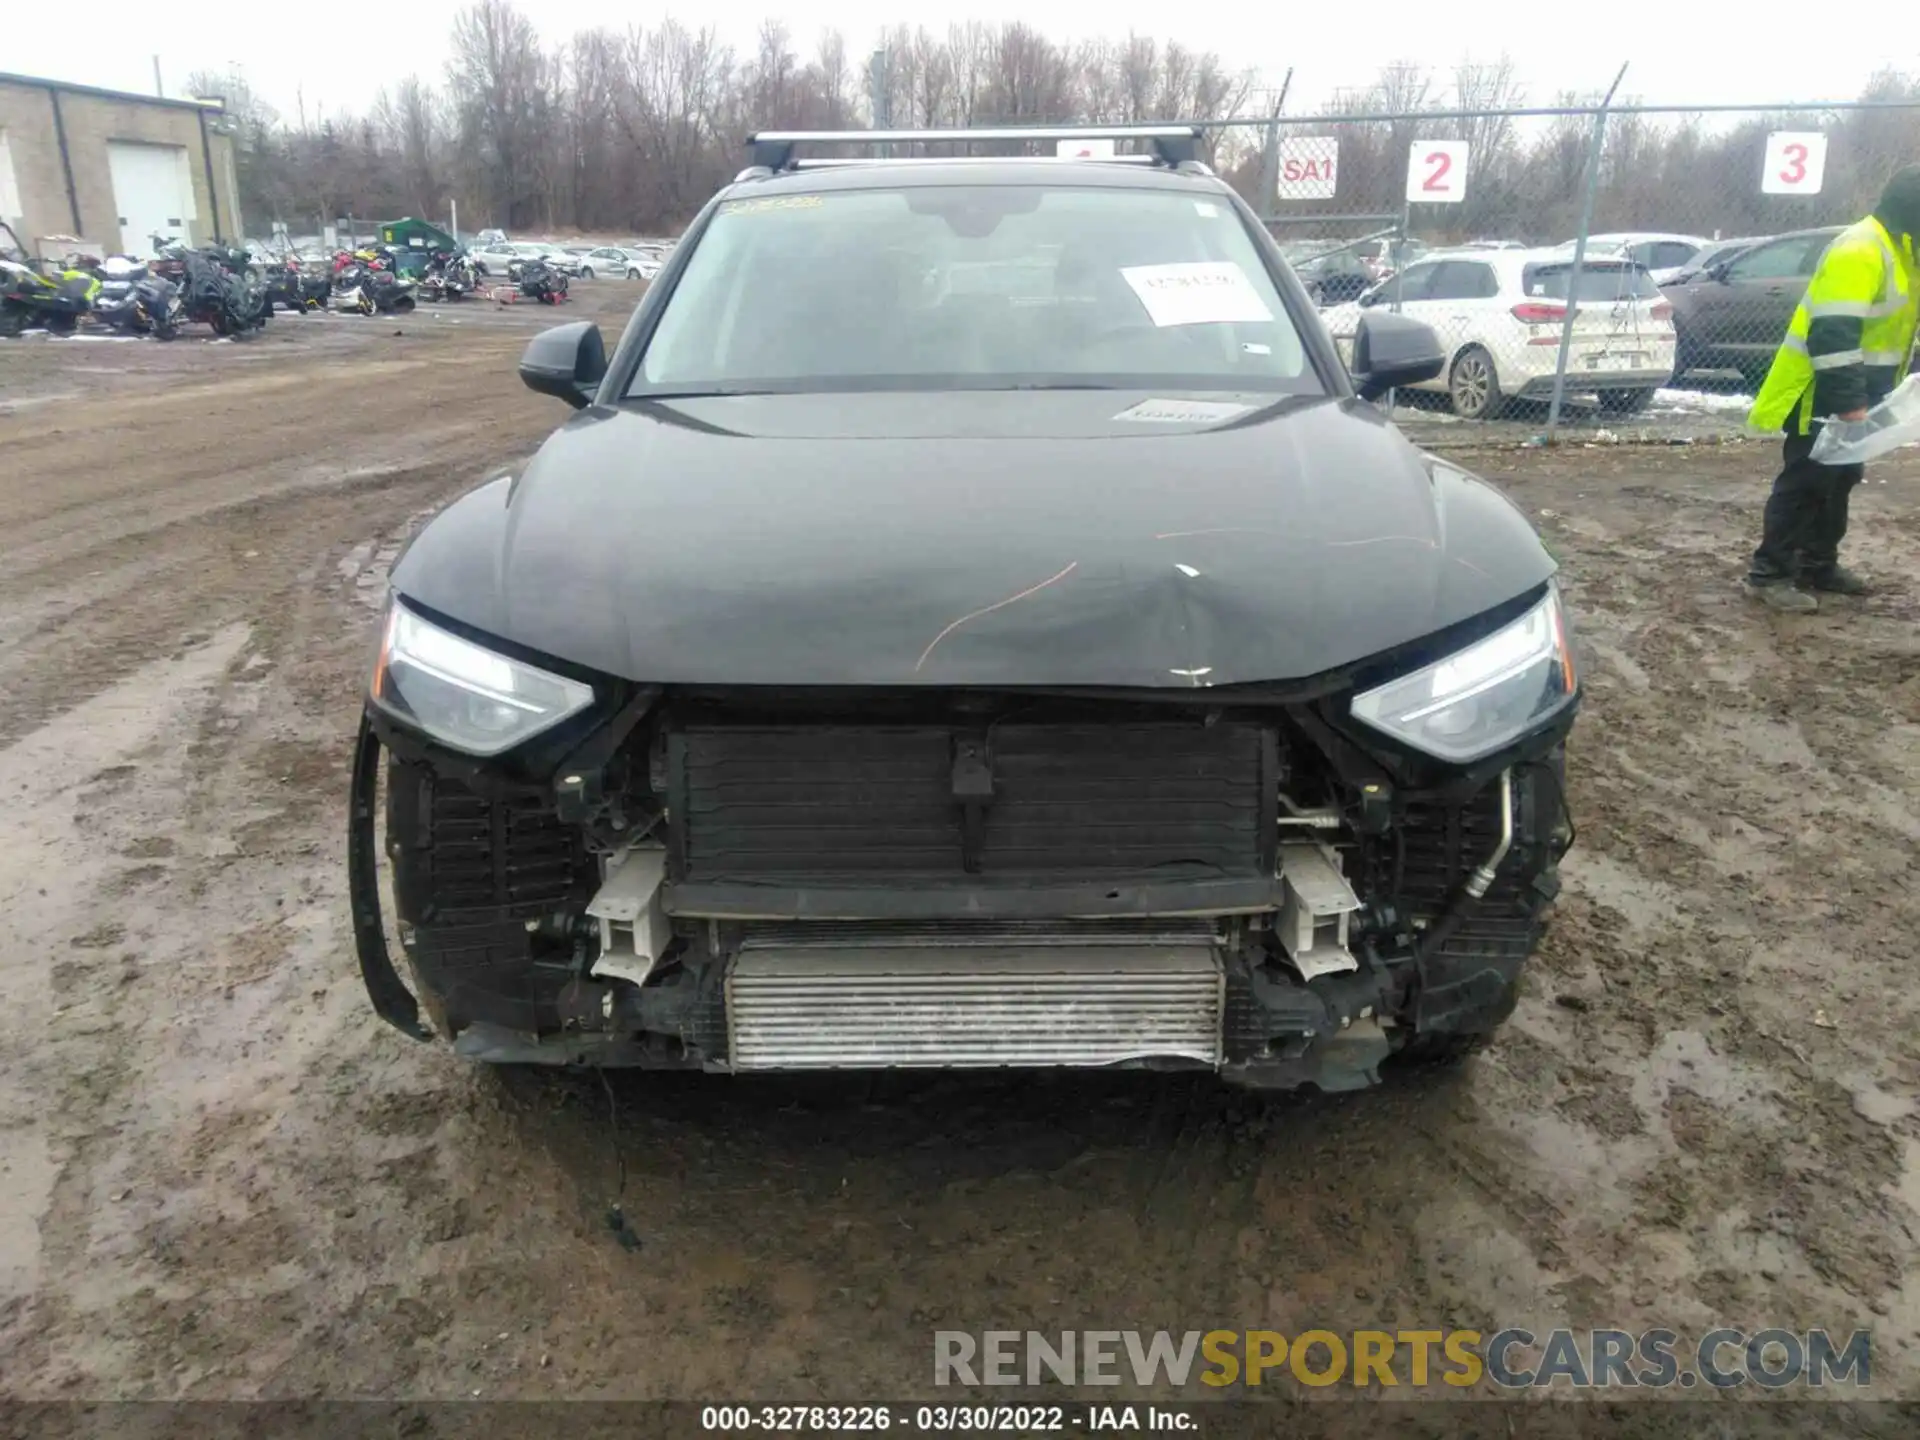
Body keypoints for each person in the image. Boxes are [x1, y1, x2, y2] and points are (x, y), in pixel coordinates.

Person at [1745, 166, 1920, 612]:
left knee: (1841, 476)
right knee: (1807, 478)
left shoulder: (1902, 247)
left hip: (1862, 389)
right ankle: (1771, 574)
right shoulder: (1860, 249)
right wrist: (1850, 404)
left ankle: (1817, 564)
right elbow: (1832, 332)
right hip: (1821, 388)